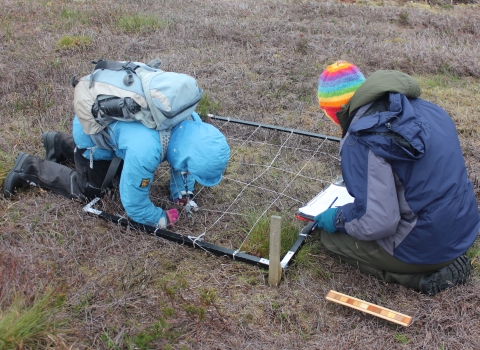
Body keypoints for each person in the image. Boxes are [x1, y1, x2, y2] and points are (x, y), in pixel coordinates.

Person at [314, 60, 479, 295]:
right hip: (464, 227)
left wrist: (338, 218)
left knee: (330, 240)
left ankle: (422, 278)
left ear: (336, 111)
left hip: (428, 246)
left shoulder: (361, 138)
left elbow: (378, 222)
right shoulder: (427, 108)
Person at [4, 111, 230, 229]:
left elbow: (184, 167)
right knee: (92, 192)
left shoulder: (191, 120)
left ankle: (57, 142)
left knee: (122, 162)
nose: (188, 171)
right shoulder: (146, 150)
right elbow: (134, 205)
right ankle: (28, 168)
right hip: (90, 133)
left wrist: (181, 194)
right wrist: (162, 218)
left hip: (117, 131)